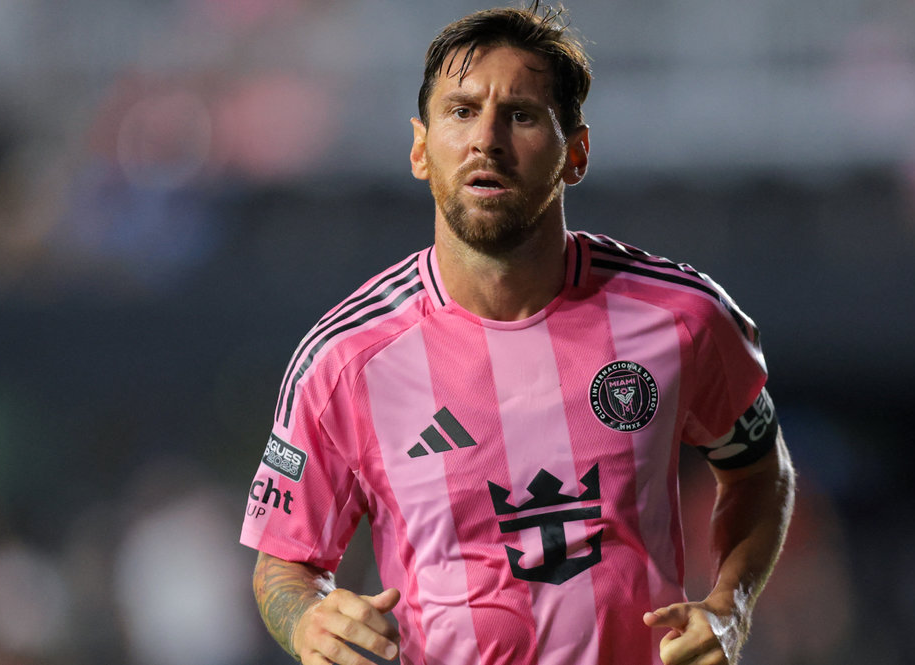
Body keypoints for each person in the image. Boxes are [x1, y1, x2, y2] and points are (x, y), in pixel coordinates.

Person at [240, 3, 796, 664]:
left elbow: (761, 472)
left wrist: (730, 606)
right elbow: (285, 563)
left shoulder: (682, 316)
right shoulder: (345, 360)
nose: (487, 140)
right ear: (420, 148)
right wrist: (308, 621)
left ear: (576, 154)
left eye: (522, 115)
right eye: (461, 111)